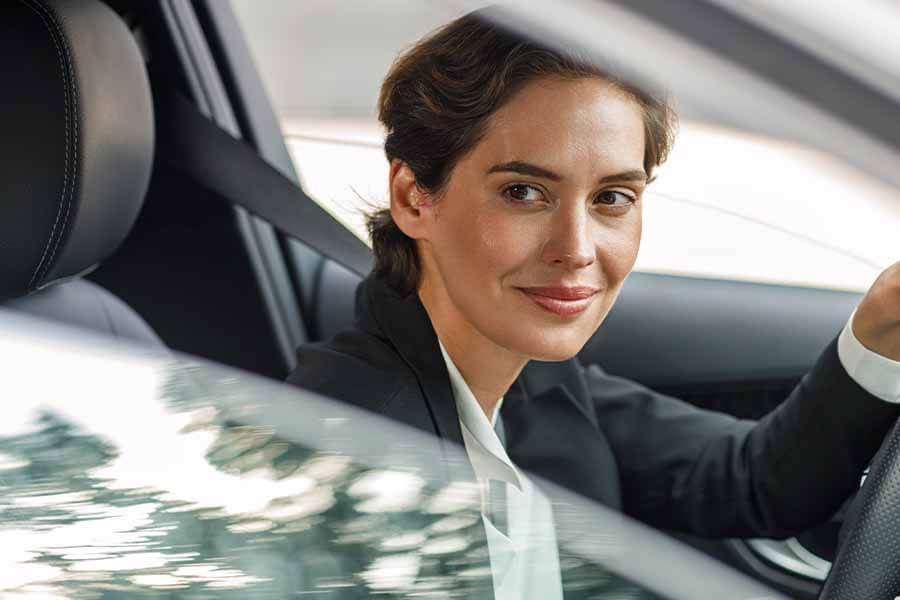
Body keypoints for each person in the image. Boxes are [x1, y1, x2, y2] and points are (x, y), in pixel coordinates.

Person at [286, 7, 900, 597]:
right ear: (414, 197)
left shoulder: (530, 380)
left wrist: (879, 331)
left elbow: (753, 480)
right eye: (524, 192)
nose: (577, 249)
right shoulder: (349, 446)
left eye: (611, 198)